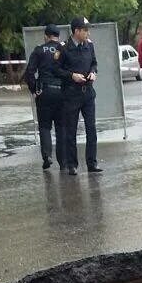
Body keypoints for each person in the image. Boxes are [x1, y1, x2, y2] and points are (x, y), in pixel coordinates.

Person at [59, 17, 101, 175]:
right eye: (85, 30)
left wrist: (93, 72)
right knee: (71, 130)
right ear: (76, 31)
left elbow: (94, 63)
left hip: (88, 93)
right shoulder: (63, 48)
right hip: (71, 94)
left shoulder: (89, 45)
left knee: (91, 129)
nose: (87, 33)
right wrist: (71, 76)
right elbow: (56, 70)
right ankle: (72, 164)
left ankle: (92, 163)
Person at [23, 24, 67, 170]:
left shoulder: (39, 50)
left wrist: (35, 89)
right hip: (61, 92)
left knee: (45, 126)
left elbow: (29, 73)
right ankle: (63, 161)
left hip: (45, 92)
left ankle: (47, 156)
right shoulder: (63, 50)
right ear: (58, 36)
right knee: (61, 127)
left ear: (46, 36)